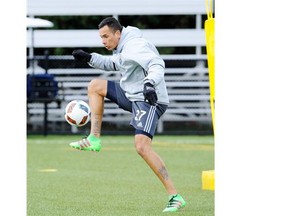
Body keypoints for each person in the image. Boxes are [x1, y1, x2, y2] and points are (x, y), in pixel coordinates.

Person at [69, 17, 186, 213]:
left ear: (118, 33)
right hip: (131, 94)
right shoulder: (122, 48)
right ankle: (94, 138)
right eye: (101, 37)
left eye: (106, 36)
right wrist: (90, 58)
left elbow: (157, 63)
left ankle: (175, 196)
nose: (103, 41)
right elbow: (114, 64)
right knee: (95, 86)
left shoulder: (134, 45)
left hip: (149, 100)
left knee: (141, 147)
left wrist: (150, 83)